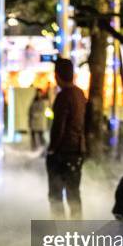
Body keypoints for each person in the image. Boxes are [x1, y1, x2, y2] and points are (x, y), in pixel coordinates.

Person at [46, 58, 87, 219]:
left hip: (63, 151)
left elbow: (59, 127)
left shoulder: (64, 96)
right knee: (73, 194)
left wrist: (52, 149)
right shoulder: (79, 93)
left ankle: (60, 231)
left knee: (56, 196)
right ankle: (76, 232)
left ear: (58, 75)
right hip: (77, 150)